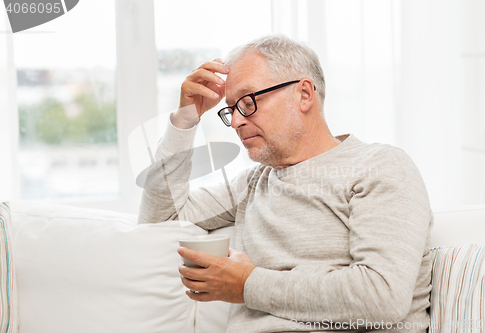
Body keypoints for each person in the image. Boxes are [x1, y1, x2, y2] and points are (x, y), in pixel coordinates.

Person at [139, 34, 433, 333]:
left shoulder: (378, 166)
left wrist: (246, 284)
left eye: (248, 102)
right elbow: (161, 219)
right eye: (231, 108)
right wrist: (185, 118)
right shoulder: (252, 184)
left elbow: (382, 297)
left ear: (304, 94)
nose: (237, 121)